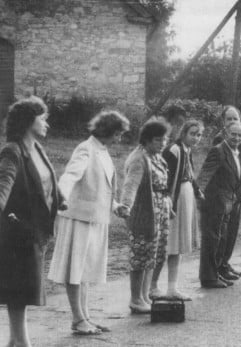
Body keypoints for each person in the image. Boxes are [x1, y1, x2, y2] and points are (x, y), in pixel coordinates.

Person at [48, 111, 129, 334]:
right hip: (78, 218)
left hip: (95, 219)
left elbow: (103, 188)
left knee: (84, 272)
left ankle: (85, 317)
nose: (119, 139)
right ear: (108, 131)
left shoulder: (103, 151)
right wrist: (60, 197)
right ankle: (77, 319)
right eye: (118, 134)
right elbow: (70, 175)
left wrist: (116, 206)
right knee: (75, 271)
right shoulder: (86, 148)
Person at [0, 96, 64, 346]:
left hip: (36, 232)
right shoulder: (12, 150)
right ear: (29, 121)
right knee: (19, 292)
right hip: (17, 232)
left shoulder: (37, 148)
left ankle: (16, 342)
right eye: (43, 118)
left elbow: (46, 181)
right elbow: (4, 181)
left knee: (24, 293)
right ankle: (21, 342)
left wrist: (62, 199)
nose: (47, 123)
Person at [118, 119, 172, 313]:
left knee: (153, 254)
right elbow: (130, 185)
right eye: (158, 139)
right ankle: (135, 299)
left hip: (159, 211)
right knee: (140, 256)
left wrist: (168, 205)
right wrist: (125, 206)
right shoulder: (139, 158)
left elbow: (162, 184)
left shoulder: (156, 156)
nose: (163, 143)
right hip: (144, 213)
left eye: (165, 139)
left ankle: (144, 296)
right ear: (147, 140)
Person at [150, 120, 204, 301]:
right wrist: (170, 205)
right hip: (176, 199)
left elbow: (190, 173)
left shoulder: (187, 151)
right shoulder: (174, 150)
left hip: (186, 197)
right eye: (192, 134)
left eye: (199, 135)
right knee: (167, 244)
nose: (196, 138)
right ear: (184, 133)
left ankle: (172, 287)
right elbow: (167, 178)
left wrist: (197, 190)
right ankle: (152, 286)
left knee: (177, 245)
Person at [197, 121, 241, 288]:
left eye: (240, 135)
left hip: (227, 202)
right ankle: (208, 278)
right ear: (225, 133)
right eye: (233, 134)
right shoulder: (217, 151)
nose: (237, 138)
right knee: (211, 240)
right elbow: (204, 174)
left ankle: (216, 272)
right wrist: (198, 194)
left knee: (220, 240)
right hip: (213, 203)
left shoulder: (236, 152)